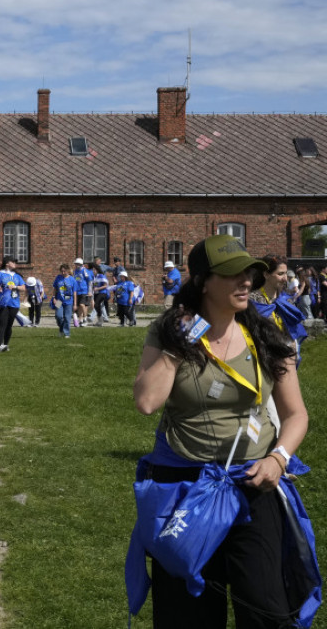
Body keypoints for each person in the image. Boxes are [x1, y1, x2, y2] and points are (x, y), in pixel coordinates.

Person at [130, 234, 309, 628]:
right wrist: (180, 344)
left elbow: (296, 415)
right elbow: (146, 402)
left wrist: (278, 459)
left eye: (249, 273)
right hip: (184, 489)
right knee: (186, 615)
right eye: (232, 274)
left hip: (253, 485)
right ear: (202, 282)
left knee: (265, 609)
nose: (245, 281)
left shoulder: (268, 336)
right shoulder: (169, 330)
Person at [0, 255, 26, 352]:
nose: (15, 264)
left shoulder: (17, 276)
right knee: (2, 324)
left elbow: (24, 288)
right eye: (13, 262)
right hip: (1, 303)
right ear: (7, 263)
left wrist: (15, 287)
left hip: (14, 303)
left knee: (9, 325)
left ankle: (6, 344)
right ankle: (0, 345)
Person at [52, 264, 76, 338]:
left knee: (67, 318)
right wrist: (53, 298)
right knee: (58, 316)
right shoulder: (58, 278)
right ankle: (61, 329)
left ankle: (66, 333)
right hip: (59, 301)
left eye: (64, 271)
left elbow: (74, 292)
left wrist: (75, 304)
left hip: (69, 301)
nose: (63, 273)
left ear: (68, 271)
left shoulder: (72, 280)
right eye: (61, 271)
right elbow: (55, 288)